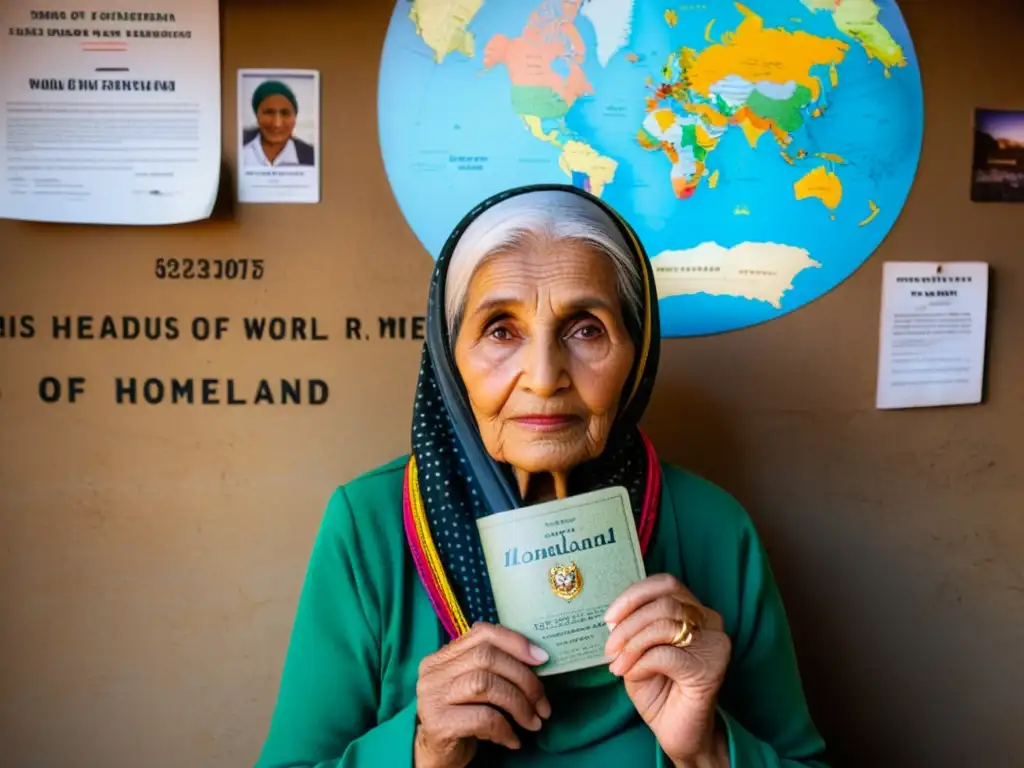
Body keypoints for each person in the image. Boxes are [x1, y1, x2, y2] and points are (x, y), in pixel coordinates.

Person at [254, 184, 829, 768]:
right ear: (450, 357)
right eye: (501, 330)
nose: (544, 375)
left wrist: (707, 750)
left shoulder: (712, 527)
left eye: (586, 329)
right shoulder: (370, 526)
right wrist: (422, 749)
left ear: (638, 354)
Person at [242, 79, 315, 168]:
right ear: (257, 116)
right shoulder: (240, 148)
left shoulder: (312, 156)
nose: (277, 124)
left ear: (294, 119)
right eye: (268, 112)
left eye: (285, 113)